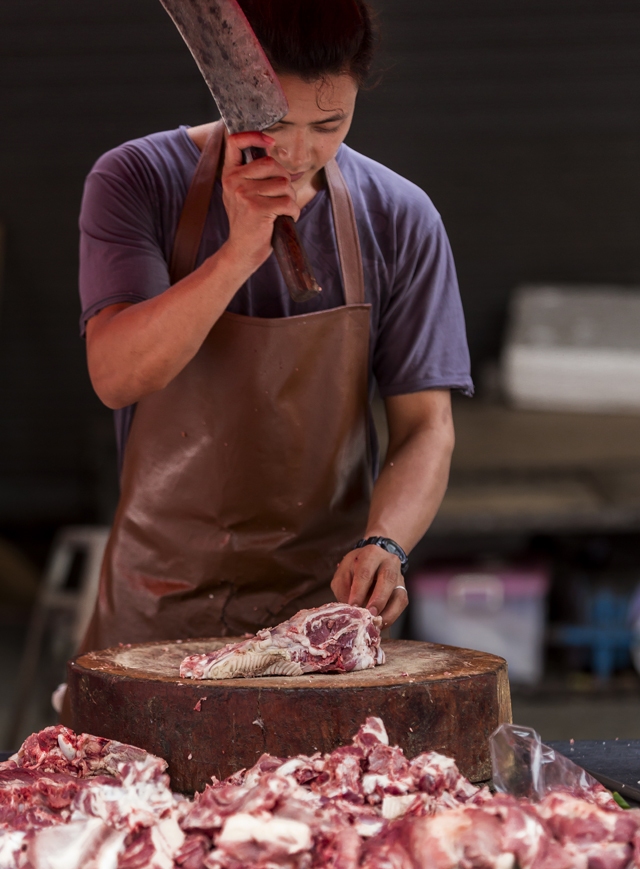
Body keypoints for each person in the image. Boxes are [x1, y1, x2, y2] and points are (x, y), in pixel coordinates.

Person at [77, 0, 473, 651]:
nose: (298, 151)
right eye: (275, 123)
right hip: (155, 609)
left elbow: (426, 428)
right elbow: (117, 376)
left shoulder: (400, 217)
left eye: (329, 123)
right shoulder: (136, 180)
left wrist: (386, 543)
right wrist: (237, 254)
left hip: (320, 613)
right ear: (232, 91)